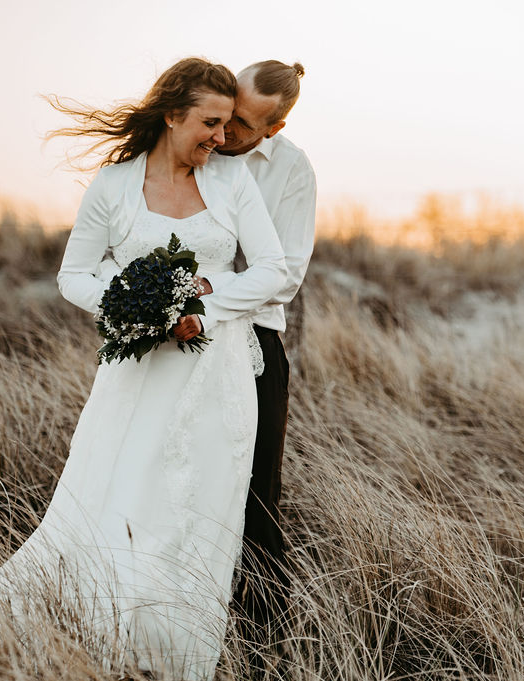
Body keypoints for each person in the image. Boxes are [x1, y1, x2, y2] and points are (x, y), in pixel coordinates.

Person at [0, 57, 287, 681]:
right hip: (134, 377)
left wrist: (202, 306)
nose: (221, 135)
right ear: (171, 113)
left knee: (198, 518)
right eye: (210, 122)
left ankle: (175, 661)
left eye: (227, 123)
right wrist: (137, 305)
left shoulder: (235, 182)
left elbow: (274, 270)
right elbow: (73, 275)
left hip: (217, 380)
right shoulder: (113, 186)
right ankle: (83, 644)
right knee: (115, 501)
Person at [207, 60, 316, 656]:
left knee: (256, 496)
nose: (225, 133)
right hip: (173, 341)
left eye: (244, 125)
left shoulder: (292, 170)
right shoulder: (195, 139)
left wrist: (203, 298)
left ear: (272, 129)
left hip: (255, 344)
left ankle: (264, 645)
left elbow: (286, 276)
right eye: (225, 113)